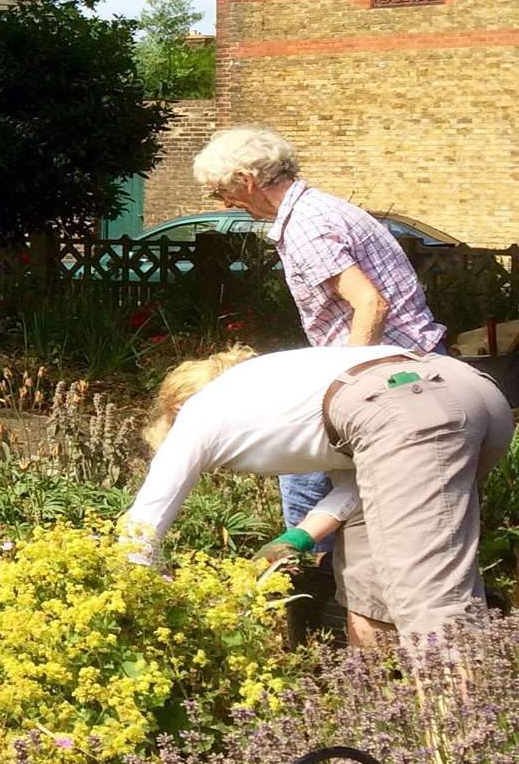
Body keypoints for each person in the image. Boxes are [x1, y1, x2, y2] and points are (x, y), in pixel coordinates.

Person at [122, 344, 511, 647]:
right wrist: (298, 537)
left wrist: (139, 596)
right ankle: (376, 716)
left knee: (429, 599)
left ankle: (456, 739)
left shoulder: (198, 413)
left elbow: (143, 525)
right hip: (472, 390)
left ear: (177, 406)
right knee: (366, 586)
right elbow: (361, 483)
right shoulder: (275, 383)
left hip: (404, 405)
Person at [191, 127, 446, 532]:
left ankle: (305, 573)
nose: (225, 203)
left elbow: (370, 304)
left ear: (247, 179)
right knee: (361, 485)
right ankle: (329, 570)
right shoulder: (319, 210)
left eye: (222, 192)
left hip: (397, 369)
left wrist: (344, 387)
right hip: (415, 363)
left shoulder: (307, 226)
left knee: (299, 458)